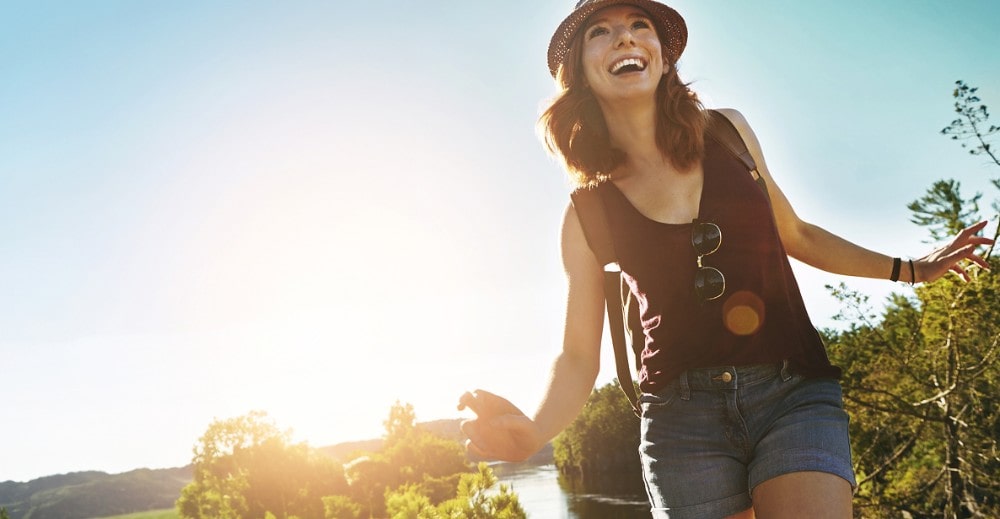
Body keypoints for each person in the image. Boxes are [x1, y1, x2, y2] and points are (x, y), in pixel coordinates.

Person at [457, 1, 994, 517]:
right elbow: (578, 357)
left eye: (639, 24)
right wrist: (532, 431)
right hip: (679, 420)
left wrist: (912, 269)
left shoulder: (730, 133)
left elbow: (798, 234)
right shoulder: (586, 215)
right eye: (600, 31)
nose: (624, 36)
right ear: (579, 74)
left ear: (662, 57)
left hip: (793, 389)